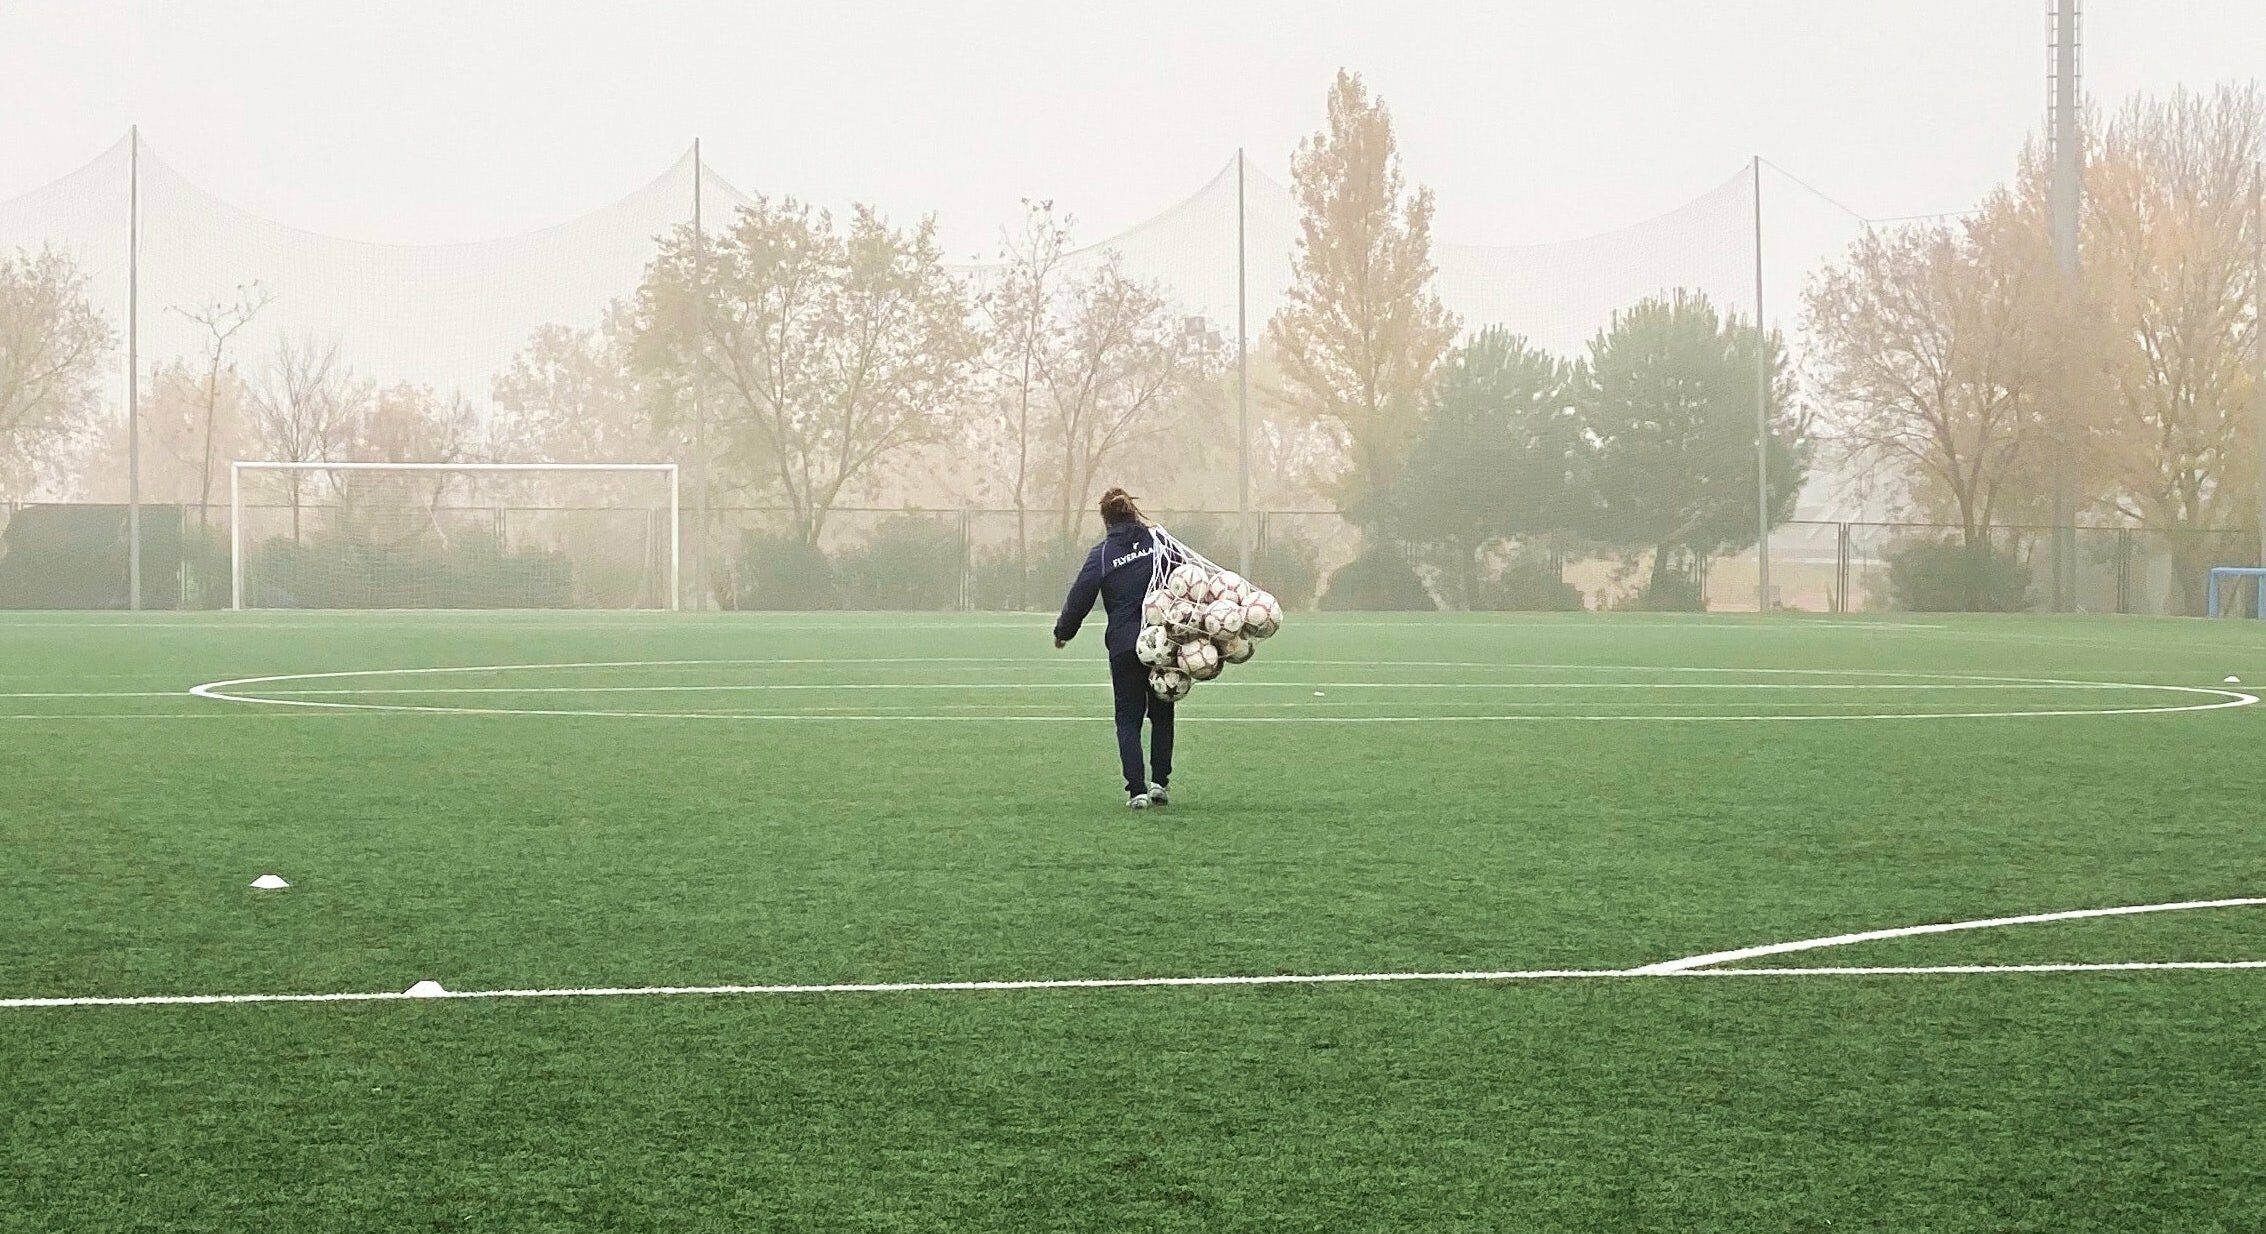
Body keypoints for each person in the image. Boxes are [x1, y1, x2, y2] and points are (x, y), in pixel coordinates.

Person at [1054, 487, 1174, 809]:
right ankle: (1160, 783)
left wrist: (1063, 632)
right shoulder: (1159, 542)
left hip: (1124, 646)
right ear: (1133, 512)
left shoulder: (1103, 554)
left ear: (1105, 519)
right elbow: (1185, 577)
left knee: (1128, 717)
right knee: (1162, 712)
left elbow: (1080, 596)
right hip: (1160, 642)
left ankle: (1136, 791)